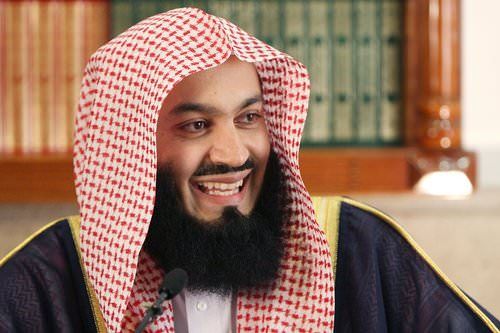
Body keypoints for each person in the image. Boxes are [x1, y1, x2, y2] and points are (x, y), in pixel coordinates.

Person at [0, 7, 499, 333]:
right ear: (128, 146)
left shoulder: (358, 251)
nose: (233, 153)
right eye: (196, 125)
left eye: (249, 118)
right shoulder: (47, 282)